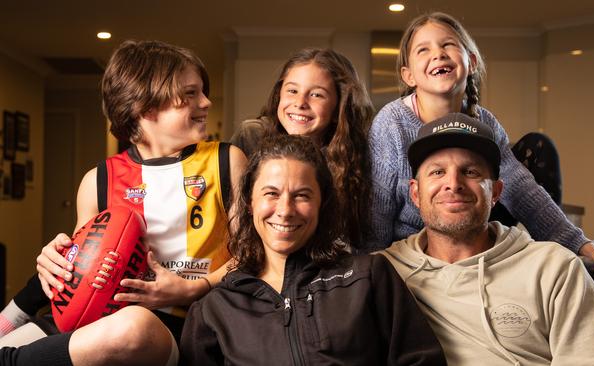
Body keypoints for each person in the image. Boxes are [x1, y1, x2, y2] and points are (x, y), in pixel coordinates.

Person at [0, 39, 247, 365]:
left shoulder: (227, 161)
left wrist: (191, 289)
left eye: (202, 91)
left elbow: (252, 256)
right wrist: (55, 264)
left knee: (133, 327)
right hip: (96, 323)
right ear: (146, 107)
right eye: (189, 94)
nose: (205, 102)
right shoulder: (98, 180)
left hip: (182, 324)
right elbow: (81, 273)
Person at [366, 11, 594, 275]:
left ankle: (550, 262)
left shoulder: (483, 121)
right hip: (419, 247)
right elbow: (377, 208)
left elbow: (519, 187)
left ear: (471, 61)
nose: (437, 53)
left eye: (447, 44)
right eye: (423, 50)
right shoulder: (391, 123)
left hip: (476, 228)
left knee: (537, 146)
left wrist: (576, 242)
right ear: (408, 76)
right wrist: (374, 272)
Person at [379, 113, 594, 365]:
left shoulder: (554, 269)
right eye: (437, 172)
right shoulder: (382, 274)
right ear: (415, 192)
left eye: (470, 171)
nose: (453, 183)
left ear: (496, 192)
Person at [180, 134, 446, 365]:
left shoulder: (367, 277)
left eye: (302, 196)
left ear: (322, 204)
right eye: (271, 194)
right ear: (250, 203)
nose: (285, 211)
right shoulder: (215, 309)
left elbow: (421, 360)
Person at [231, 48, 374, 246]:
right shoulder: (251, 136)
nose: (300, 103)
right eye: (292, 91)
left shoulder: (354, 155)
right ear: (279, 94)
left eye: (316, 95)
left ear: (338, 107)